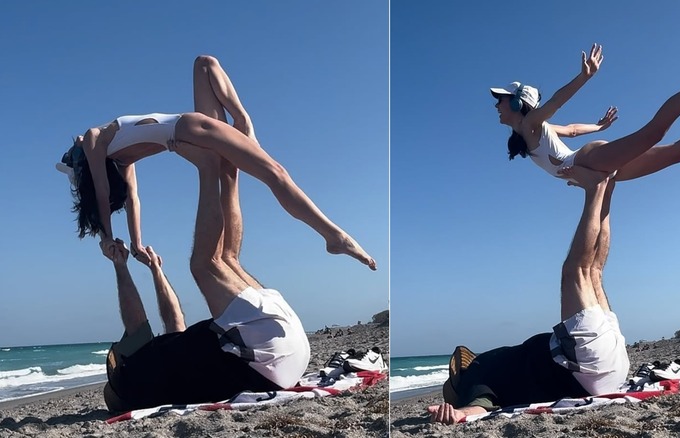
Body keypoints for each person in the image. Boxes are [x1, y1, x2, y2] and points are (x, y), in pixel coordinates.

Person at [57, 55, 375, 270]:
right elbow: (102, 193)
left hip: (193, 129)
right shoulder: (95, 139)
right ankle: (334, 237)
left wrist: (136, 244)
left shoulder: (122, 160)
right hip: (193, 129)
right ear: (81, 164)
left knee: (205, 64)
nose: (75, 143)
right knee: (275, 172)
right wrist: (107, 237)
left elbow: (133, 201)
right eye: (72, 154)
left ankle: (243, 121)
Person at [103, 142, 310, 411]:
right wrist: (120, 266)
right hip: (261, 353)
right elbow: (137, 325)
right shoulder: (136, 375)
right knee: (204, 264)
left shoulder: (170, 370)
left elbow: (174, 320)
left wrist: (156, 270)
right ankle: (208, 165)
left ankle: (230, 168)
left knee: (228, 259)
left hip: (284, 355)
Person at [428, 165, 628, 424]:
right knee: (576, 271)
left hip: (606, 363)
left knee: (594, 272)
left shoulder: (483, 370)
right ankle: (596, 189)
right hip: (587, 366)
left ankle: (607, 191)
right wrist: (460, 412)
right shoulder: (474, 379)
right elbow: (479, 407)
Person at [491, 45, 680, 183]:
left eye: (500, 101)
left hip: (588, 161)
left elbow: (555, 102)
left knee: (655, 132)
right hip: (593, 172)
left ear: (517, 104)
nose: (496, 106)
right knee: (678, 153)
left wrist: (584, 78)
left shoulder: (531, 123)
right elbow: (572, 129)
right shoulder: (529, 131)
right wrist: (598, 127)